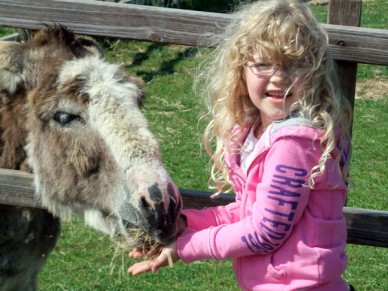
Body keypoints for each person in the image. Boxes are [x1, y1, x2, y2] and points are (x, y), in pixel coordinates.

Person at [128, 0, 353, 290]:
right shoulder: (258, 133)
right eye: (263, 63)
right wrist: (186, 225)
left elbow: (265, 231)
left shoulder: (294, 144)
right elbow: (249, 213)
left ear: (315, 71)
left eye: (295, 63)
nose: (279, 77)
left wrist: (186, 248)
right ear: (241, 69)